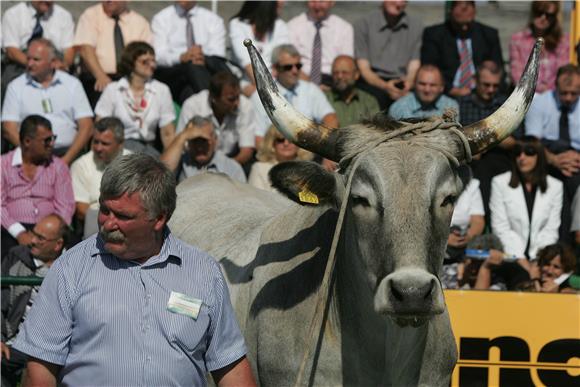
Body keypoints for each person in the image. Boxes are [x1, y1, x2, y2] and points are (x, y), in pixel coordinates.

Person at [11, 153, 256, 386]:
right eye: (105, 210)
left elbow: (230, 367)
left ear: (159, 218)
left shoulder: (203, 272)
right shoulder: (71, 268)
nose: (108, 223)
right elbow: (40, 369)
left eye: (122, 215)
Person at [1, 38, 94, 165]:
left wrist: (65, 161)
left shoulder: (72, 84)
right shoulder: (16, 87)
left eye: (36, 60)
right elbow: (8, 129)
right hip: (30, 157)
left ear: (53, 62)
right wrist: (33, 153)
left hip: (69, 155)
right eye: (28, 58)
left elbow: (86, 126)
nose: (30, 64)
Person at [1, 214, 67, 387]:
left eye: (41, 238)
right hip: (12, 343)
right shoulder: (16, 257)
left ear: (58, 244)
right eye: (33, 233)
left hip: (53, 350)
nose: (32, 240)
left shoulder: (72, 267)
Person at [1, 115, 75, 259]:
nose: (52, 144)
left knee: (74, 248)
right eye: (46, 140)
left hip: (50, 231)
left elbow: (65, 206)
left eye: (53, 138)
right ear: (28, 141)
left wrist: (51, 233)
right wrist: (19, 232)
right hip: (11, 229)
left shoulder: (58, 166)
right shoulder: (3, 165)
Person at [490, 137, 563, 272]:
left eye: (529, 152)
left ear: (539, 156)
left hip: (542, 259)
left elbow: (551, 230)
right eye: (517, 152)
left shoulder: (556, 186)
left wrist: (537, 260)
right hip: (510, 257)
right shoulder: (499, 183)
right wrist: (522, 260)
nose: (522, 157)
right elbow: (500, 228)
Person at [525, 64, 580, 240]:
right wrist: (555, 160)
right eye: (564, 93)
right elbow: (534, 141)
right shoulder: (540, 103)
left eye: (574, 93)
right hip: (547, 156)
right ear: (555, 87)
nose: (569, 98)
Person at [94, 41, 175, 156]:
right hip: (118, 151)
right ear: (131, 63)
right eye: (145, 62)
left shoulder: (161, 90)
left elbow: (168, 133)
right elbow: (101, 125)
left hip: (148, 151)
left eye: (153, 61)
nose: (152, 65)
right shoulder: (113, 89)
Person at [459, 61, 512, 222]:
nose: (490, 90)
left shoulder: (506, 105)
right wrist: (494, 134)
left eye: (495, 86)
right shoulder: (462, 104)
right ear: (475, 80)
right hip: (470, 160)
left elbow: (515, 142)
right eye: (486, 84)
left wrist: (482, 138)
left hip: (500, 160)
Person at [252, 44, 338, 143]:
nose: (295, 71)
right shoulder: (261, 96)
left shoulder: (311, 90)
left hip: (309, 153)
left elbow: (331, 119)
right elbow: (259, 138)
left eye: (298, 66)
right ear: (275, 69)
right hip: (274, 154)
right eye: (288, 67)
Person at [74, 1, 152, 107]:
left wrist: (135, 82)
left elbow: (146, 57)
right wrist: (100, 76)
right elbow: (86, 50)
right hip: (97, 79)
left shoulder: (140, 23)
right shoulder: (91, 15)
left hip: (130, 79)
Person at [421, 1, 504, 98]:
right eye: (459, 24)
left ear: (474, 11)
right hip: (446, 93)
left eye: (468, 24)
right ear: (450, 11)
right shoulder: (434, 34)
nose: (464, 28)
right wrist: (450, 89)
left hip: (482, 94)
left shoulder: (489, 35)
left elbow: (497, 69)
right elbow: (429, 68)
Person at [152, 1, 229, 104]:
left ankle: (204, 109)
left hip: (201, 71)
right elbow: (158, 56)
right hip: (173, 73)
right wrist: (180, 57)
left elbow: (218, 54)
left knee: (190, 91)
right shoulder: (161, 19)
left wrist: (201, 56)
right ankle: (211, 106)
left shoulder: (213, 20)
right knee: (191, 66)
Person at [177, 71, 257, 166]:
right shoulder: (193, 105)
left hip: (231, 164)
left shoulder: (245, 106)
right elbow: (181, 145)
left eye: (238, 97)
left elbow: (246, 150)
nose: (237, 103)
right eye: (231, 99)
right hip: (194, 163)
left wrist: (226, 169)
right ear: (214, 98)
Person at [354, 0, 422, 110]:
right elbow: (364, 69)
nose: (399, 4)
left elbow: (414, 65)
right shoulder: (363, 24)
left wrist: (408, 84)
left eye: (403, 1)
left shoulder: (416, 25)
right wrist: (385, 87)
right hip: (372, 82)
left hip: (402, 81)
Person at [1, 1, 75, 99]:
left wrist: (64, 64)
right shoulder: (13, 14)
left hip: (54, 64)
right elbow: (12, 51)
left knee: (73, 85)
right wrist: (37, 65)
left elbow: (69, 49)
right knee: (9, 83)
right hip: (22, 63)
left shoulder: (64, 16)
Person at [70, 117, 131, 234]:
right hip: (95, 226)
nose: (98, 148)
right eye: (95, 141)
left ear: (120, 144)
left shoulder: (134, 163)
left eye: (105, 143)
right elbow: (81, 210)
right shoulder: (81, 166)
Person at [287, 0, 354, 88]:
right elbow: (290, 63)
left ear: (332, 2)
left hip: (333, 81)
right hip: (301, 80)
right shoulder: (292, 26)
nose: (317, 6)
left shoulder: (344, 28)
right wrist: (313, 87)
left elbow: (346, 65)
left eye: (322, 1)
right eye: (313, 1)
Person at [161, 116, 247, 183]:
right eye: (195, 141)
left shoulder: (232, 168)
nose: (199, 147)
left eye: (204, 141)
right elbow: (161, 173)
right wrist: (183, 136)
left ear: (215, 140)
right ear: (188, 142)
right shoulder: (181, 162)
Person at [229, 1, 290, 96]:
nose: (280, 11)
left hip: (276, 82)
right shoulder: (237, 24)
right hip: (246, 81)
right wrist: (267, 90)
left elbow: (283, 57)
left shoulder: (280, 25)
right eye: (277, 7)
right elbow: (247, 62)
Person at [510, 1, 570, 93]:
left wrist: (548, 93)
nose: (543, 17)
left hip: (556, 97)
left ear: (554, 17)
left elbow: (563, 74)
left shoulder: (564, 41)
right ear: (532, 12)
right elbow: (517, 76)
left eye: (549, 15)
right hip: (526, 95)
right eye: (539, 13)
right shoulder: (517, 40)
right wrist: (539, 91)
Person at [248, 126, 312, 192]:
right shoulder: (259, 168)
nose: (286, 143)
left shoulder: (309, 171)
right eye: (280, 140)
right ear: (272, 143)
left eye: (290, 139)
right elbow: (256, 199)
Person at [324, 55, 380, 127]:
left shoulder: (369, 101)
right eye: (336, 73)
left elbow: (376, 130)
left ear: (356, 75)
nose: (339, 76)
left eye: (345, 72)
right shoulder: (324, 99)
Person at [388, 64, 459, 121]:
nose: (427, 90)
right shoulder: (398, 108)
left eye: (432, 85)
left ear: (442, 87)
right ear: (414, 84)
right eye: (422, 84)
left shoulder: (451, 106)